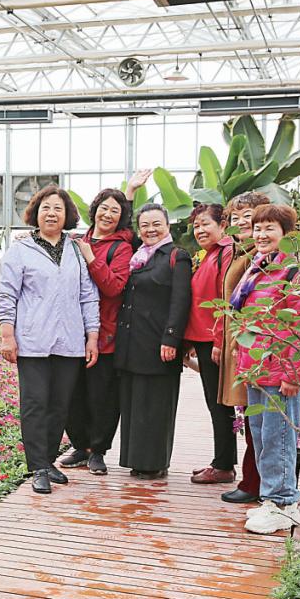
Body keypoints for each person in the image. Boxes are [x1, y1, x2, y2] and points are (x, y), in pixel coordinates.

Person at [0, 185, 100, 495]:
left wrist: (92, 337)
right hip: (32, 341)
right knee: (35, 404)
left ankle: (48, 459)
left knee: (60, 405)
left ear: (67, 215)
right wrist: (7, 335)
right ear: (35, 214)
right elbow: (7, 293)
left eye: (58, 208)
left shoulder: (76, 250)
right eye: (45, 207)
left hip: (69, 341)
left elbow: (87, 295)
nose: (52, 212)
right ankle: (38, 466)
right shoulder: (20, 249)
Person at [230, 204, 300, 534]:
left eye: (270, 228)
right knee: (263, 439)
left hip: (280, 374)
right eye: (257, 228)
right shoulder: (259, 269)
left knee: (279, 438)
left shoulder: (297, 275)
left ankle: (283, 502)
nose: (261, 234)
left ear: (286, 234)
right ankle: (271, 501)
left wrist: (294, 375)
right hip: (255, 371)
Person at [58, 188, 134, 475]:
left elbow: (114, 287)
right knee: (71, 393)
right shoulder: (76, 240)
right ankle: (80, 445)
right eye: (104, 208)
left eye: (115, 210)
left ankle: (98, 450)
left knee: (102, 396)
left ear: (121, 217)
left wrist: (91, 257)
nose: (108, 214)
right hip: (70, 330)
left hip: (105, 333)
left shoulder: (121, 248)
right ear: (94, 210)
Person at [115, 203, 192, 479]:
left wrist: (172, 339)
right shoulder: (138, 257)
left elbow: (180, 301)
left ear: (167, 226)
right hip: (132, 343)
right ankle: (136, 460)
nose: (150, 229)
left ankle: (155, 462)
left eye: (156, 224)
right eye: (145, 225)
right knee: (135, 405)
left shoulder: (177, 256)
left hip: (159, 344)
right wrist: (130, 193)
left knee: (157, 405)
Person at [215, 192, 271, 504]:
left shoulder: (259, 255)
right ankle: (254, 480)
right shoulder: (242, 252)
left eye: (247, 216)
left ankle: (255, 482)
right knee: (251, 418)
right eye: (234, 218)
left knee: (258, 419)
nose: (240, 223)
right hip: (241, 346)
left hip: (254, 349)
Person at [184, 203, 238, 485]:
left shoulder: (226, 253)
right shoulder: (210, 255)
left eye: (206, 223)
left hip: (214, 340)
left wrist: (219, 340)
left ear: (223, 225)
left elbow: (226, 299)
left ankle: (224, 465)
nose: (200, 230)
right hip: (203, 340)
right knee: (216, 404)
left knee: (220, 405)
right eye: (196, 226)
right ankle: (222, 460)